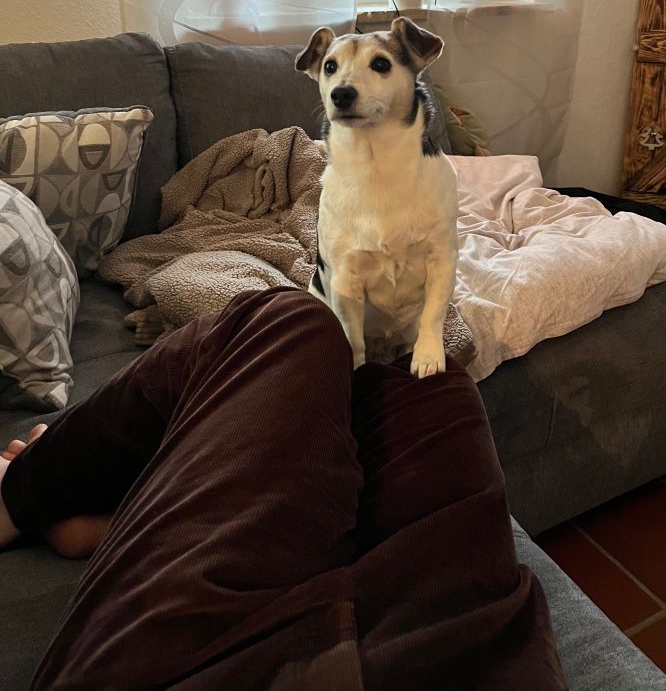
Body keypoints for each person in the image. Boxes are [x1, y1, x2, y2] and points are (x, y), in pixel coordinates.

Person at [0, 287, 567, 690]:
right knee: (428, 389)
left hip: (223, 667)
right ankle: (139, 510)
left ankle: (17, 495)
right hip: (469, 654)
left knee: (288, 321)